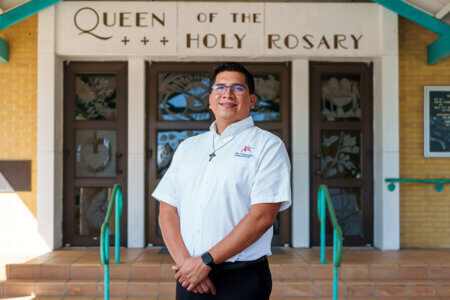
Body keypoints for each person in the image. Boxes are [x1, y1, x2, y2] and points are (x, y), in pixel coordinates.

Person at [152, 62, 291, 300]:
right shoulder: (188, 147)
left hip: (240, 278)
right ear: (210, 98)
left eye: (238, 88)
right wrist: (188, 265)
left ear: (252, 100)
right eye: (220, 87)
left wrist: (206, 260)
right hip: (189, 277)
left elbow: (262, 217)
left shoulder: (268, 145)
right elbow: (167, 209)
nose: (227, 94)